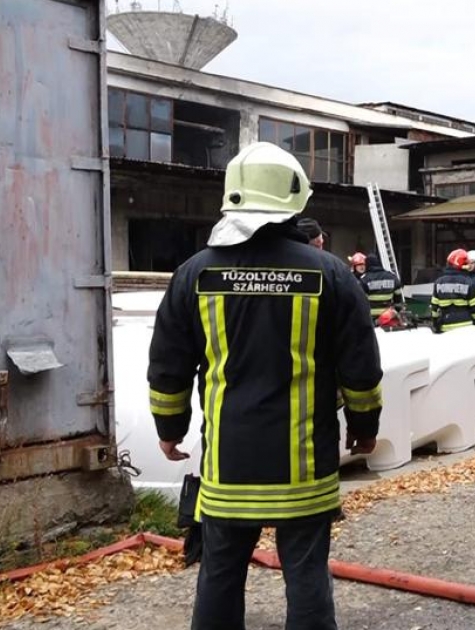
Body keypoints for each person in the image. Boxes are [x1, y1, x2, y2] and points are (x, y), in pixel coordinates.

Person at [147, 142, 383, 630]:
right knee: (307, 576)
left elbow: (168, 367)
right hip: (304, 472)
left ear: (233, 196)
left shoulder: (193, 274)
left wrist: (169, 427)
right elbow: (360, 370)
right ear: (294, 199)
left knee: (220, 573)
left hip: (228, 470)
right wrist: (364, 428)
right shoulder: (332, 274)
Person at [430, 249, 475, 332]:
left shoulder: (439, 282)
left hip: (446, 327)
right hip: (466, 327)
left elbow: (434, 307)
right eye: (465, 264)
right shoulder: (468, 282)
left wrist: (435, 323)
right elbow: (474, 307)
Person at [360, 253, 403, 321]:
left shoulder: (364, 279)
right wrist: (395, 311)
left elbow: (361, 302)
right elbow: (398, 300)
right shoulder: (392, 277)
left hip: (371, 319)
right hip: (388, 319)